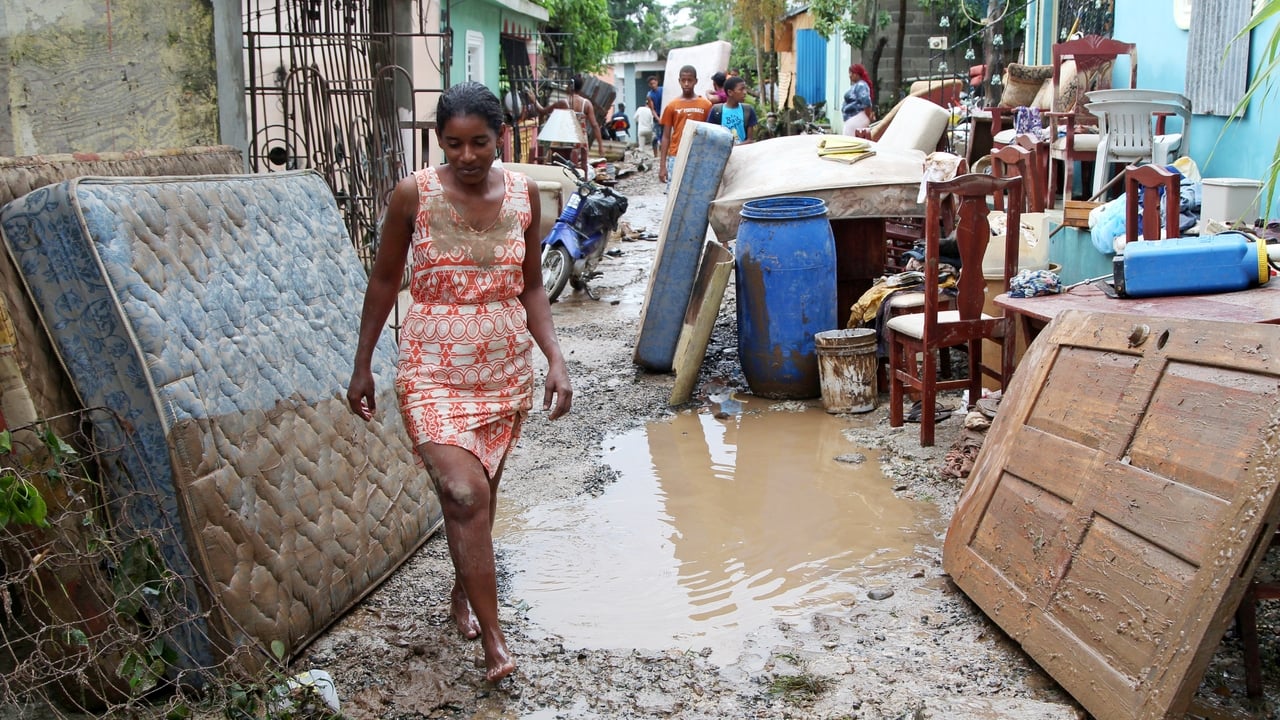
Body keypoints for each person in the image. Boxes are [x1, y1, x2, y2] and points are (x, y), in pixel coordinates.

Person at [347, 81, 573, 684]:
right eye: (453, 145)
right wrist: (363, 362)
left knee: (482, 495)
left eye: (479, 143)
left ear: (500, 137)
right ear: (438, 141)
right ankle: (496, 643)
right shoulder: (411, 197)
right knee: (464, 493)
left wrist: (554, 358)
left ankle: (464, 595)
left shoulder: (526, 197)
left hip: (503, 372)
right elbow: (384, 280)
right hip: (431, 371)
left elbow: (530, 286)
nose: (467, 157)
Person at [657, 65, 713, 185]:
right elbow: (666, 136)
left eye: (690, 80)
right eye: (683, 80)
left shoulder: (706, 105)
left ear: (696, 81)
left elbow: (711, 132)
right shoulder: (672, 105)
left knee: (698, 190)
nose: (686, 84)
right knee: (674, 191)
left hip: (699, 155)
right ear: (679, 81)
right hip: (677, 155)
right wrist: (662, 165)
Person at [526, 74, 606, 157]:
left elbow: (543, 111)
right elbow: (595, 125)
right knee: (581, 164)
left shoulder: (563, 103)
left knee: (564, 163)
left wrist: (534, 101)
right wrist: (600, 146)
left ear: (569, 86)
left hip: (565, 140)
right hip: (581, 140)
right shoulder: (587, 104)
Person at [707, 75, 757, 144]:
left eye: (745, 89)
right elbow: (710, 137)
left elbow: (750, 140)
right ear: (730, 92)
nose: (745, 92)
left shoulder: (748, 110)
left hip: (744, 152)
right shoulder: (716, 111)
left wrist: (735, 147)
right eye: (741, 89)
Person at [842, 63, 875, 136]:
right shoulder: (857, 85)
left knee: (849, 143)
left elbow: (866, 102)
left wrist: (868, 116)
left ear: (857, 74)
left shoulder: (861, 85)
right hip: (853, 118)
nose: (849, 75)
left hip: (857, 117)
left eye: (851, 73)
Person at [645, 75, 663, 152]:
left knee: (665, 135)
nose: (653, 85)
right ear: (649, 85)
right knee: (656, 137)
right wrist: (658, 119)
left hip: (665, 114)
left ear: (657, 82)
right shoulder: (650, 95)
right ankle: (656, 154)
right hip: (657, 116)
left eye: (654, 83)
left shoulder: (663, 90)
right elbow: (652, 109)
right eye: (651, 84)